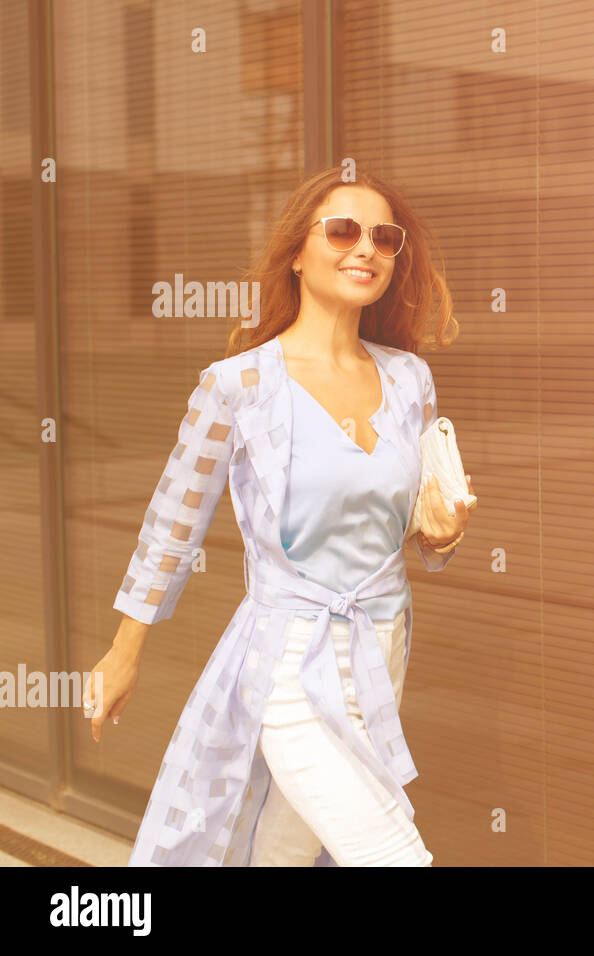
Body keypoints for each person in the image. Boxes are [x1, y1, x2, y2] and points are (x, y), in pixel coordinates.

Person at [85, 167, 477, 866]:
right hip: (291, 660)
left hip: (384, 644)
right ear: (298, 250)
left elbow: (417, 524)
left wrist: (441, 533)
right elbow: (172, 526)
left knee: (288, 846)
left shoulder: (409, 379)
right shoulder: (239, 386)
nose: (366, 249)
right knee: (392, 854)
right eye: (342, 230)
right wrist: (123, 652)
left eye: (384, 238)